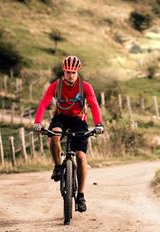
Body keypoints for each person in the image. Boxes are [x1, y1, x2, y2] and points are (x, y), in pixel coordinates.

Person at [33, 55, 104, 213]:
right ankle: (58, 166)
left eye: (73, 72)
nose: (70, 75)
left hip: (79, 120)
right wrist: (37, 122)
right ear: (63, 71)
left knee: (80, 156)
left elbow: (93, 104)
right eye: (67, 72)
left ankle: (81, 195)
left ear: (78, 72)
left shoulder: (85, 87)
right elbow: (44, 102)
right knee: (54, 136)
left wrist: (99, 124)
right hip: (61, 118)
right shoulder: (55, 86)